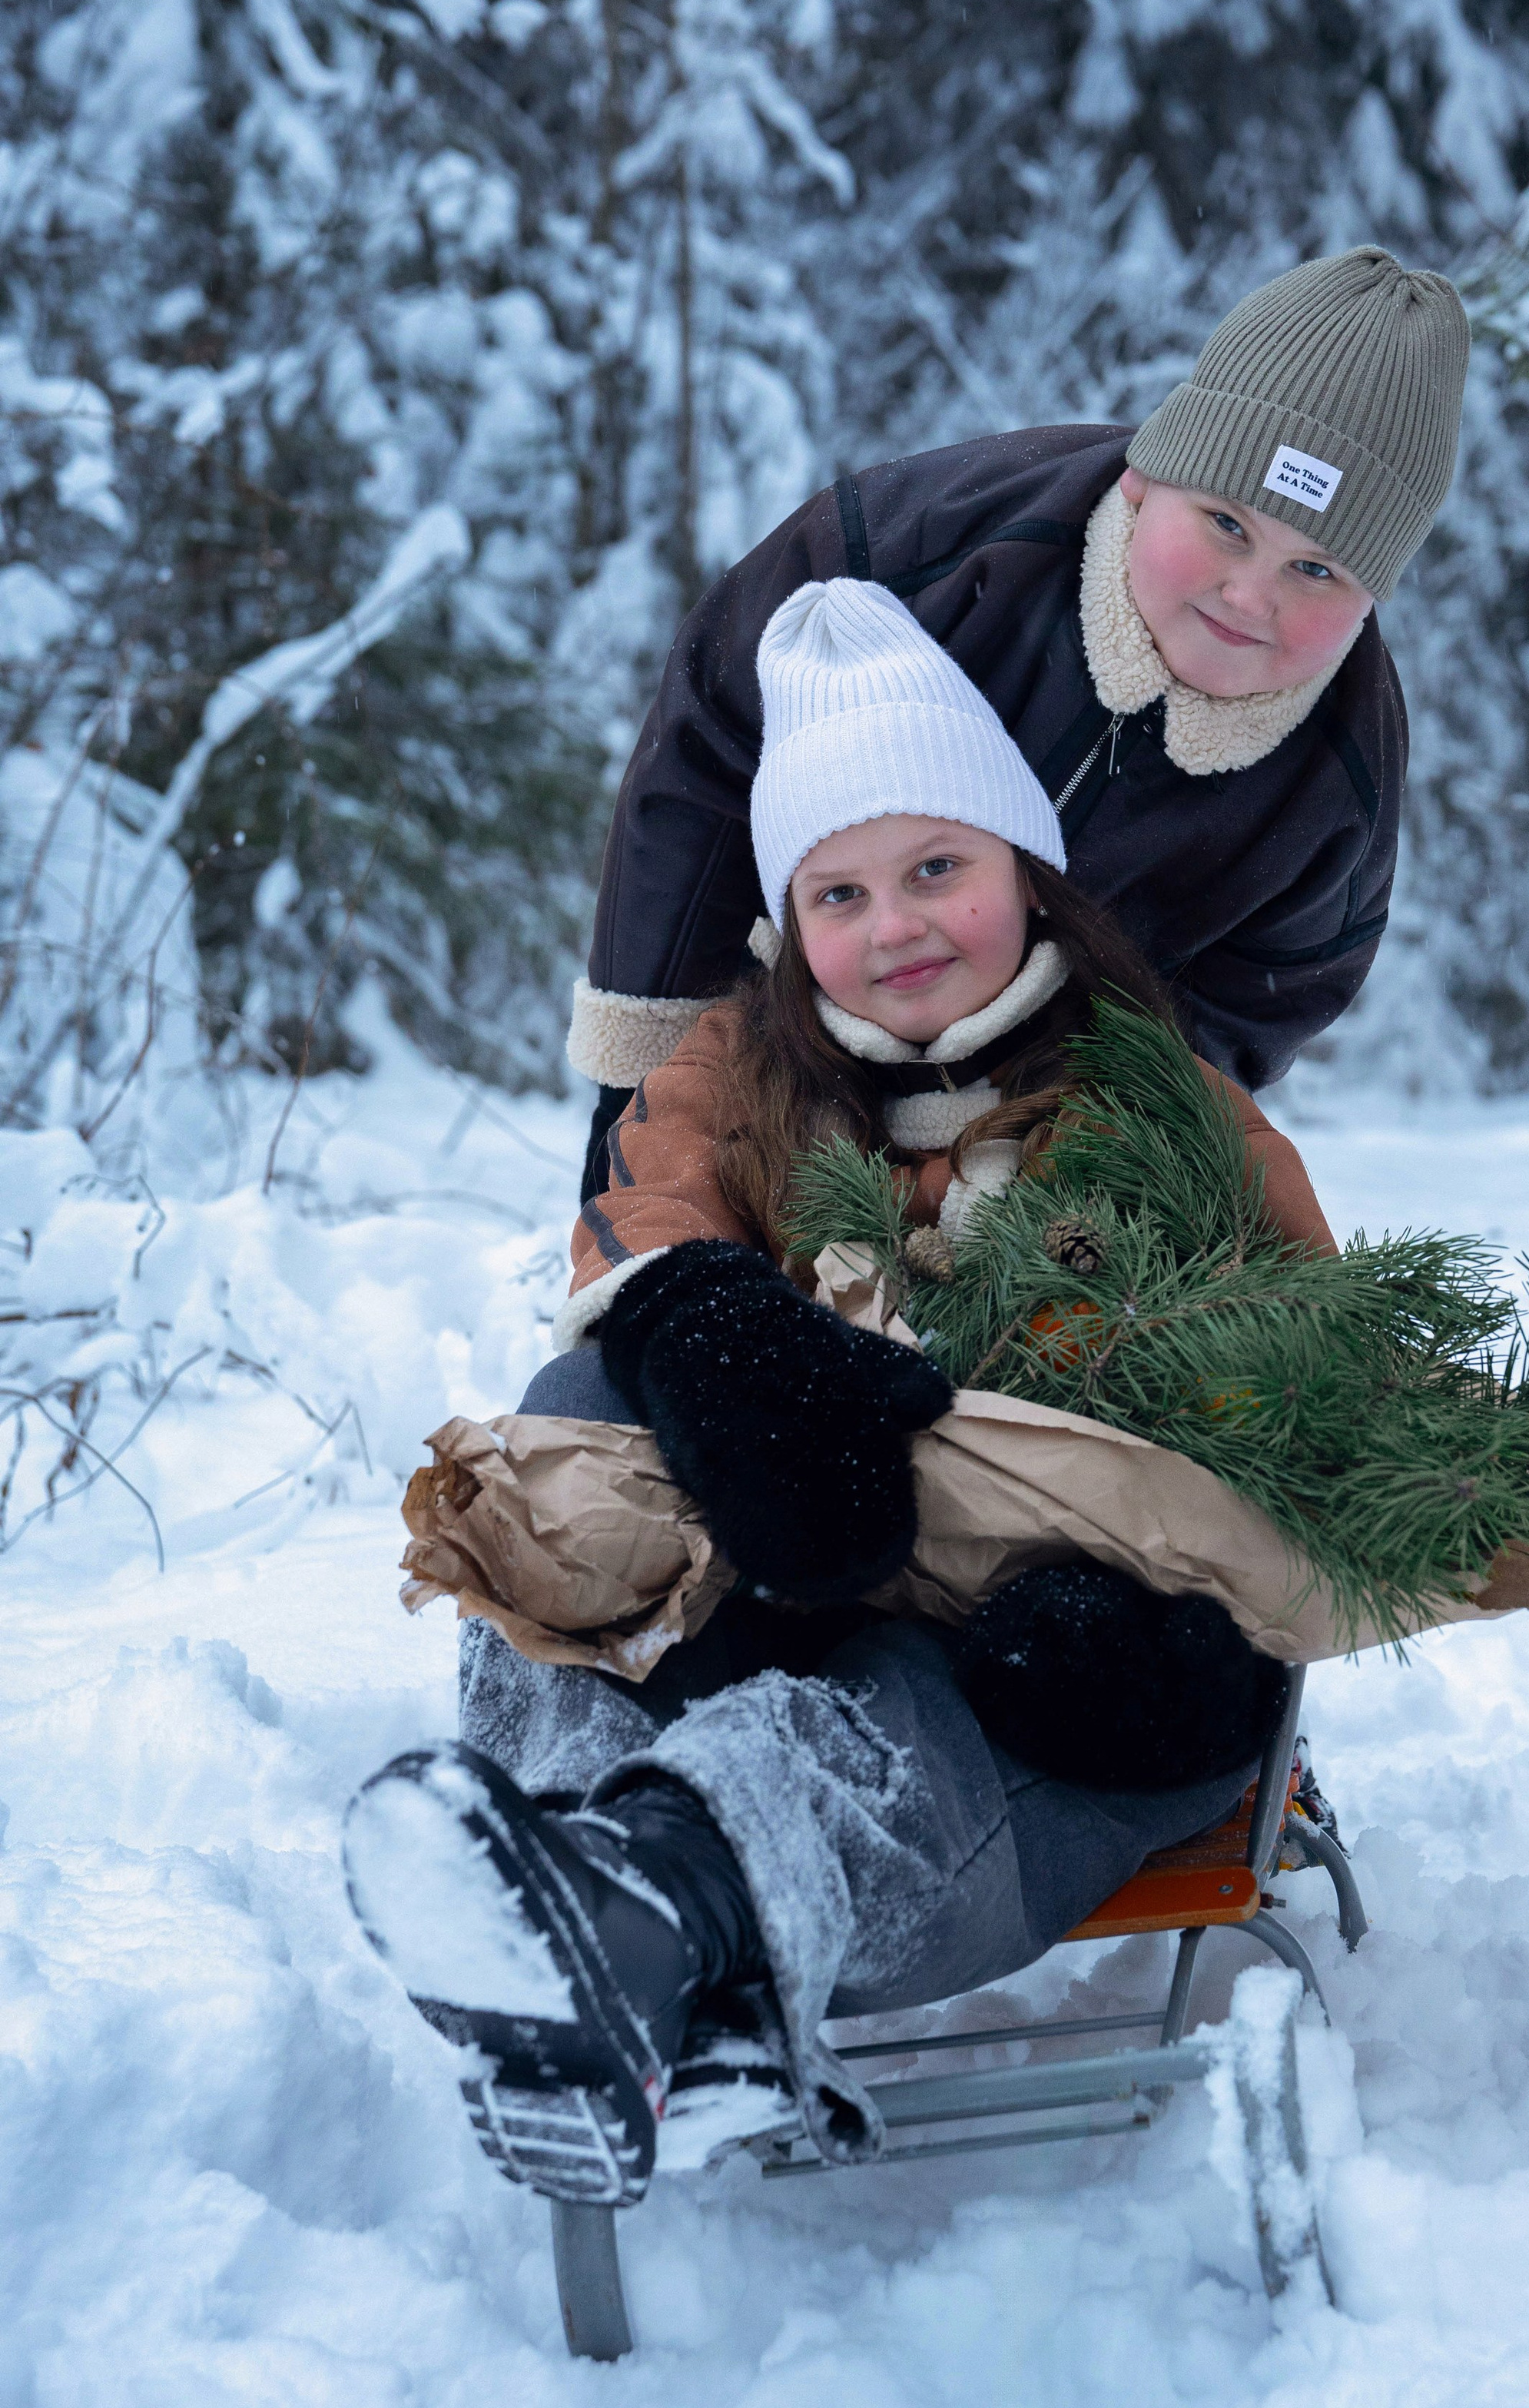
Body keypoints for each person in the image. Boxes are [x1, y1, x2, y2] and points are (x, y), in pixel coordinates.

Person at [343, 579, 1347, 2204]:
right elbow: (649, 1213)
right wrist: (716, 1343)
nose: (893, 930)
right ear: (786, 924)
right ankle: (572, 1877)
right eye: (838, 894)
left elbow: (1321, 1393)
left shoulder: (1165, 1113)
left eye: (936, 867)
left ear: (1026, 871)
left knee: (900, 1707)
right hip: (786, 1609)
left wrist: (1200, 1653)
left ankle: (654, 1923)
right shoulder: (742, 1083)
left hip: (1044, 1692)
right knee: (580, 1389)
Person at [569, 245, 1471, 1211]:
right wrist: (652, 1072)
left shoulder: (1336, 785)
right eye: (1226, 524)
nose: (1249, 595)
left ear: (1371, 601)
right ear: (1142, 480)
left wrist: (1085, 1180)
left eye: (1317, 571)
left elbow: (1245, 1006)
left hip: (1032, 1118)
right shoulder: (932, 550)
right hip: (785, 1013)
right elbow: (707, 738)